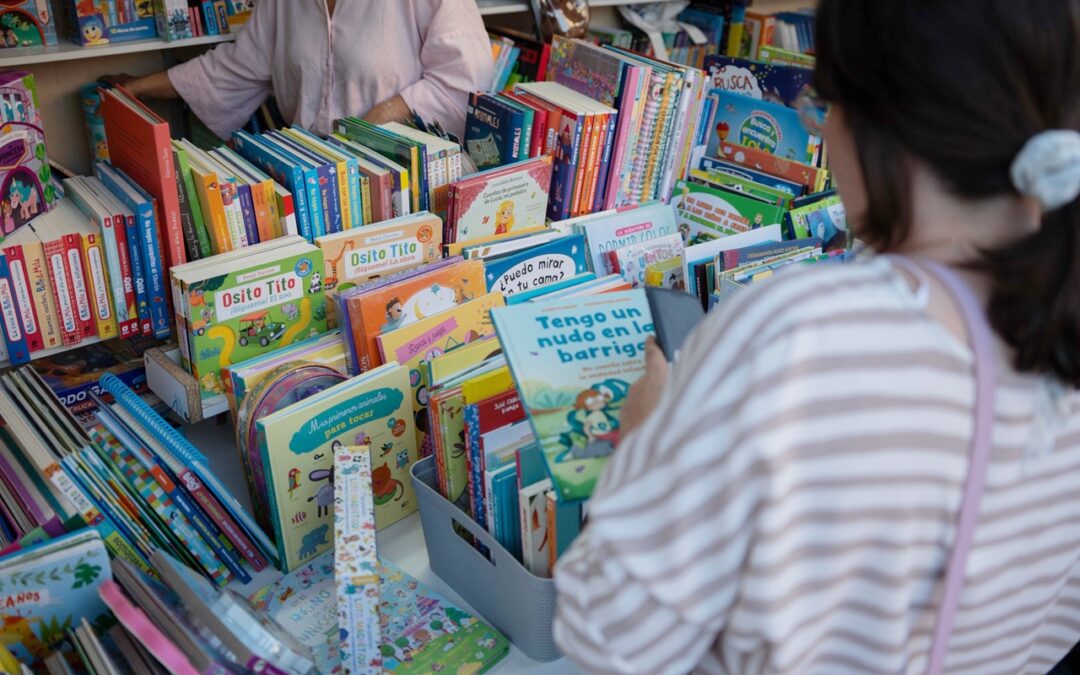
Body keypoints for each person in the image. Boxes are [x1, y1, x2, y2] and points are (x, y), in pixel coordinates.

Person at [552, 0, 1080, 673]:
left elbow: (609, 636)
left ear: (877, 121)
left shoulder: (794, 334)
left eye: (821, 101)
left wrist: (642, 440)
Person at [103, 0, 493, 140]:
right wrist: (137, 88)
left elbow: (465, 84)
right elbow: (239, 67)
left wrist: (372, 122)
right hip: (312, 181)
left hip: (402, 181)